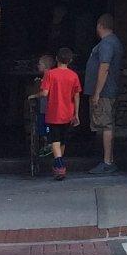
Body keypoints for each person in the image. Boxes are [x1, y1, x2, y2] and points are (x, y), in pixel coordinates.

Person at [84, 12, 124, 176]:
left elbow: (104, 67)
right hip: (108, 90)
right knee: (106, 123)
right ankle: (109, 159)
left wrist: (97, 93)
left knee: (105, 124)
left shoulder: (107, 44)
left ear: (100, 26)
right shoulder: (114, 42)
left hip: (105, 92)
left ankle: (107, 162)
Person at [36, 48, 82, 180]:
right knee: (62, 140)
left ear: (57, 59)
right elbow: (76, 96)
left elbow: (44, 93)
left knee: (54, 140)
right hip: (68, 113)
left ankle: (59, 165)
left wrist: (35, 95)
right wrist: (76, 114)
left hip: (54, 113)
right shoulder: (74, 75)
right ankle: (58, 167)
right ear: (70, 60)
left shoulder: (50, 74)